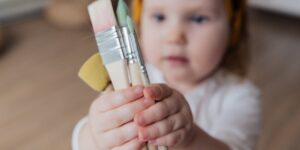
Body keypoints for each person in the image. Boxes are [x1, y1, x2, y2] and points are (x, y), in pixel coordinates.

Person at [72, 0, 261, 149]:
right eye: (160, 17)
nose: (174, 36)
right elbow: (80, 142)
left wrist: (189, 139)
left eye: (199, 19)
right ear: (138, 24)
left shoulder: (240, 98)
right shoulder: (126, 79)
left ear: (233, 28)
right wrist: (95, 137)